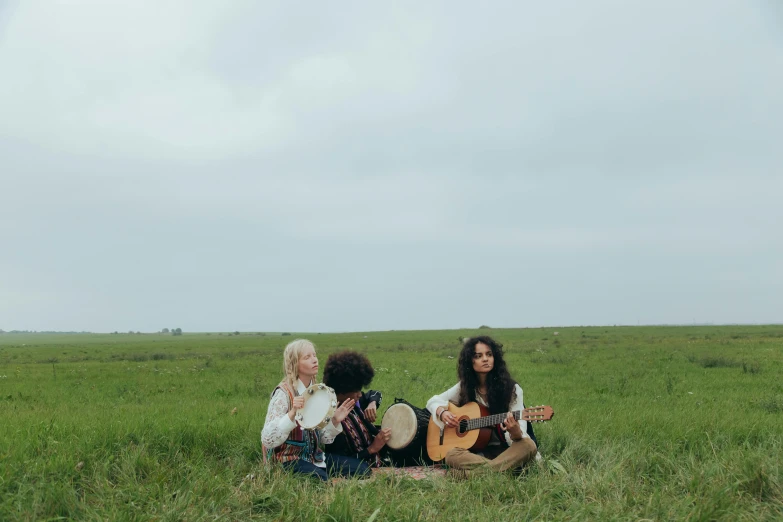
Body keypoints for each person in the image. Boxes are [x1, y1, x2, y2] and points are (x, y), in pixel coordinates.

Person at [426, 336, 538, 475]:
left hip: (506, 451)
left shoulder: (512, 390)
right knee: (451, 454)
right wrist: (442, 413)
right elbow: (433, 400)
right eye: (479, 356)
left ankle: (470, 475)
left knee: (528, 445)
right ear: (470, 361)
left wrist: (514, 432)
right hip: (479, 454)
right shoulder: (464, 387)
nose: (485, 359)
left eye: (489, 354)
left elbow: (520, 435)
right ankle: (498, 471)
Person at [261, 339, 371, 481]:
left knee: (362, 469)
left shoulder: (317, 391)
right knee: (320, 480)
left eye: (314, 355)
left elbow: (323, 438)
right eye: (307, 357)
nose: (314, 360)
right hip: (286, 459)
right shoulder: (283, 393)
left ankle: (318, 473)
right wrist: (292, 413)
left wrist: (335, 420)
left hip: (314, 457)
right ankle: (307, 476)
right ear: (294, 364)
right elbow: (268, 439)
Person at [321, 350, 394, 468]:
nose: (360, 394)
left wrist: (372, 403)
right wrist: (372, 448)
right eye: (356, 390)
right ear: (343, 389)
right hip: (365, 464)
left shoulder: (353, 402)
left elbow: (375, 394)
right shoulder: (331, 421)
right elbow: (343, 462)